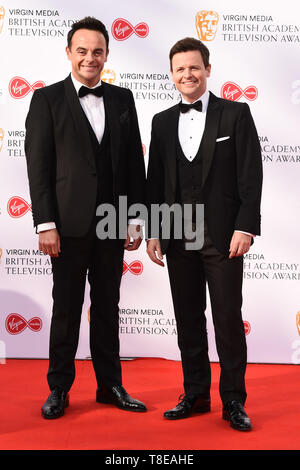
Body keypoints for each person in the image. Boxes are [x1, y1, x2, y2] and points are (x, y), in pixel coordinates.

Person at [25, 17, 147, 419]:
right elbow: (38, 166)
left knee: (108, 307)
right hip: (67, 227)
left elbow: (132, 163)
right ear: (69, 53)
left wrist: (133, 218)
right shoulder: (46, 100)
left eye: (97, 51)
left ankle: (110, 385)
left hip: (113, 224)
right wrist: (45, 223)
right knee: (66, 309)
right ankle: (59, 388)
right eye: (82, 50)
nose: (90, 58)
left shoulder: (123, 98)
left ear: (107, 55)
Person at [146, 37, 262, 431]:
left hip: (225, 236)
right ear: (172, 75)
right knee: (188, 318)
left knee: (228, 318)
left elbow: (251, 175)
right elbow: (156, 181)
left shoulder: (236, 115)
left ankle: (233, 401)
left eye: (194, 67)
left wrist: (246, 226)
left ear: (208, 70)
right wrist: (155, 231)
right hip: (179, 236)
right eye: (180, 69)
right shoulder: (161, 122)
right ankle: (195, 394)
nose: (187, 75)